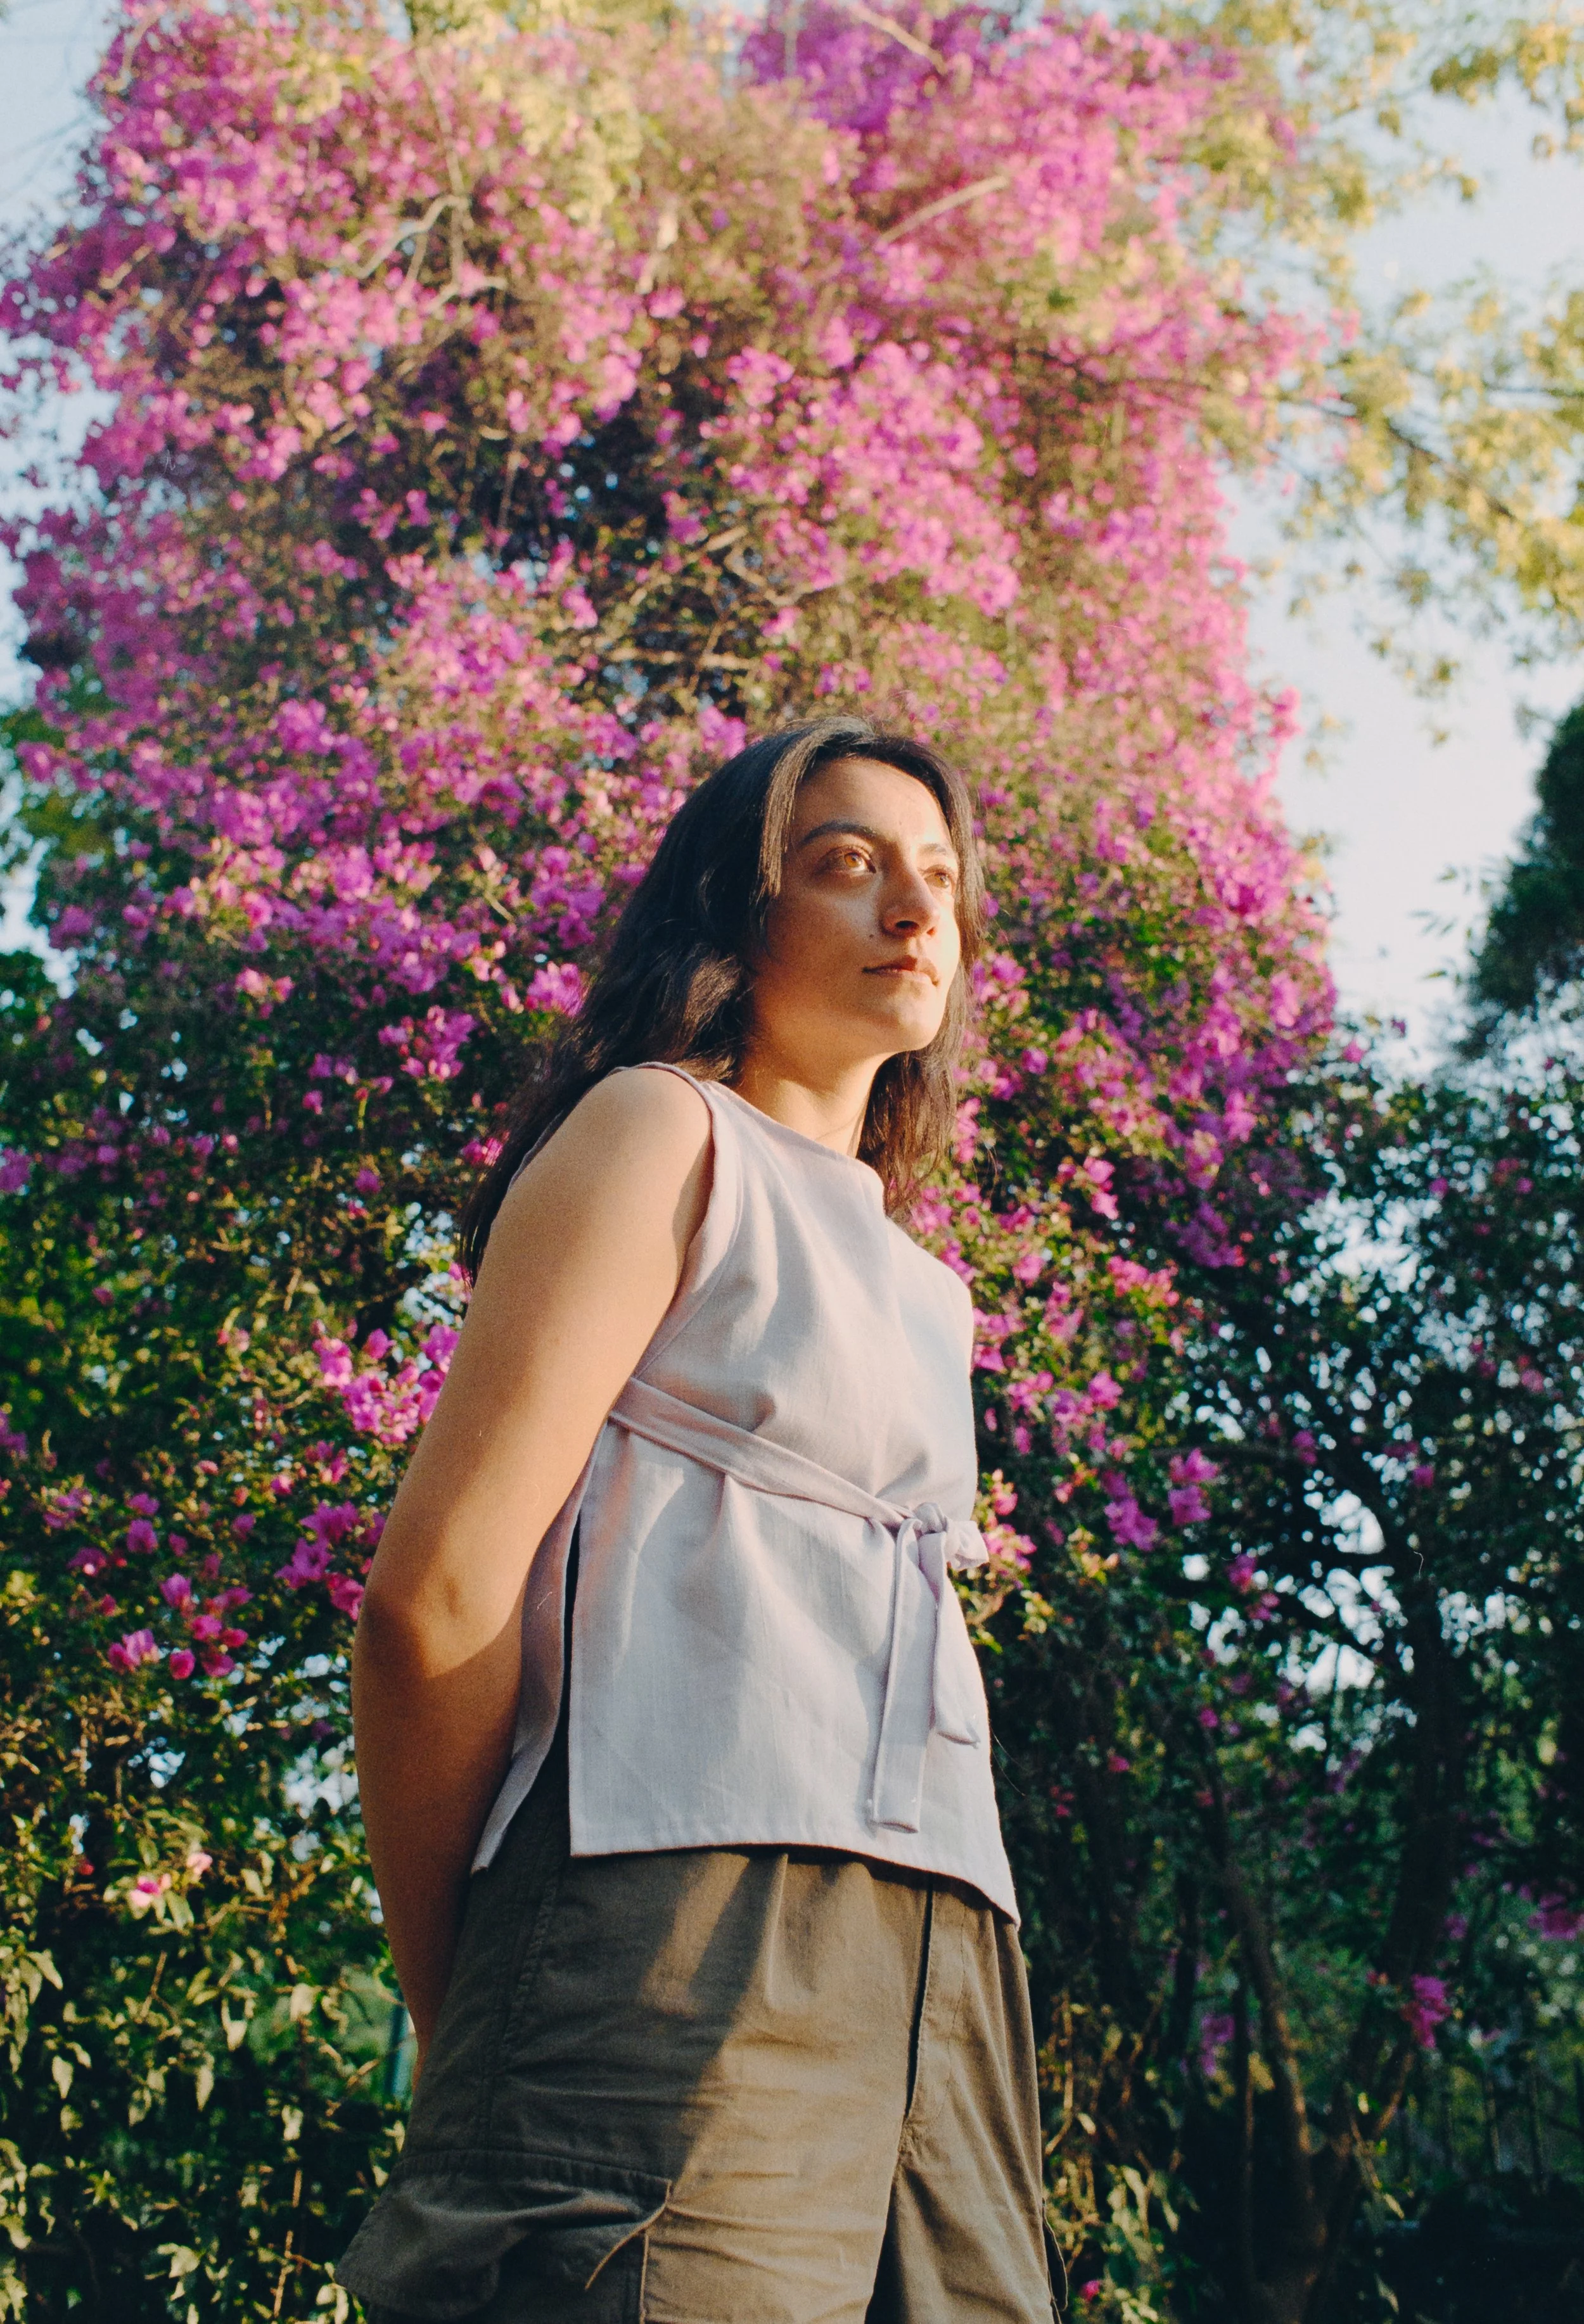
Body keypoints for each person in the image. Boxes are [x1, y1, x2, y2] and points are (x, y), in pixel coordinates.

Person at [338, 718, 1059, 2323]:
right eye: (847, 866)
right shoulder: (660, 1130)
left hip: (948, 1964)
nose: (912, 912)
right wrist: (467, 2006)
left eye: (936, 879)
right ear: (735, 919)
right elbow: (434, 1595)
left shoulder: (927, 1288)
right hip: (669, 1923)